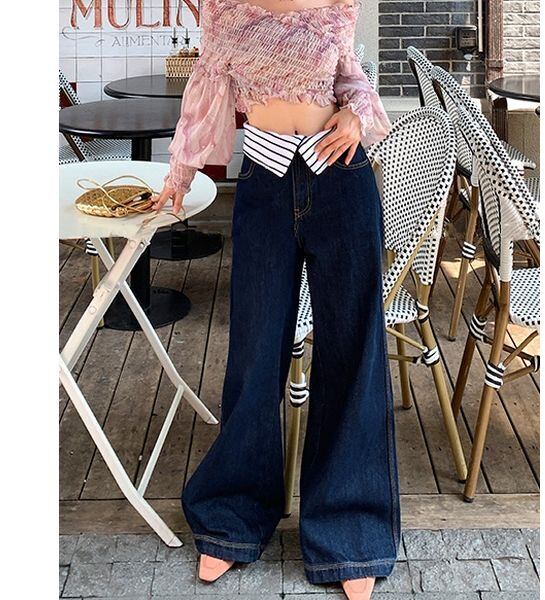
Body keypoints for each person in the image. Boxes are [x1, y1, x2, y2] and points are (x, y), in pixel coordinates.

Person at [153, 1, 400, 598]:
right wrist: (178, 176)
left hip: (341, 177)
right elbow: (205, 93)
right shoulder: (225, 11)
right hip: (263, 185)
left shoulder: (337, 5)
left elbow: (351, 80)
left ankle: (350, 530)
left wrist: (356, 117)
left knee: (352, 354)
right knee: (254, 352)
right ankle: (233, 515)